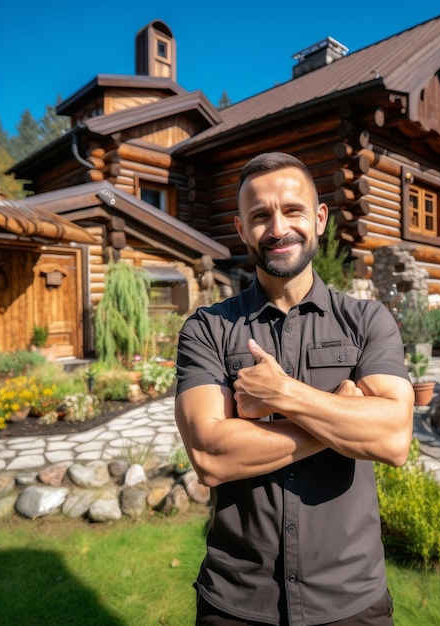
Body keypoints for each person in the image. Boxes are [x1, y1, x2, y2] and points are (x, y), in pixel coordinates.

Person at [175, 152, 414, 626]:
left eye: (293, 210)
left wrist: (283, 394)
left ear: (320, 218)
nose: (278, 227)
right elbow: (210, 455)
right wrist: (339, 420)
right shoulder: (206, 329)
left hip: (350, 599)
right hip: (238, 599)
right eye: (260, 215)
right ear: (242, 229)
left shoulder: (368, 322)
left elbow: (392, 439)